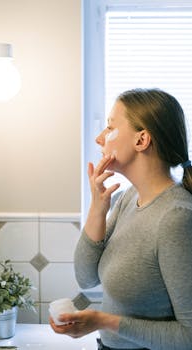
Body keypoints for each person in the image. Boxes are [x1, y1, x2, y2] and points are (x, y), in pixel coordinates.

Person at [50, 88, 192, 350]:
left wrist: (104, 321)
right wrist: (97, 208)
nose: (99, 138)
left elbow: (189, 336)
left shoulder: (176, 219)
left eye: (110, 128)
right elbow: (86, 278)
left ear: (142, 140)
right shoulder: (127, 198)